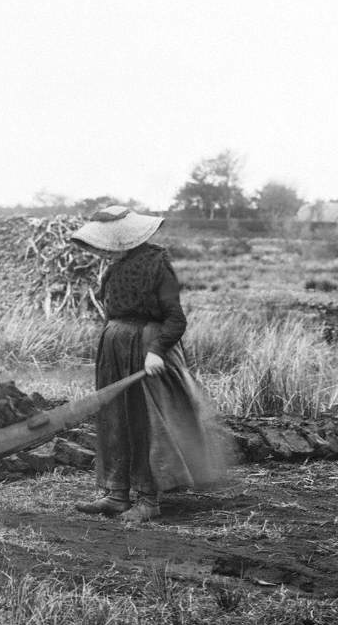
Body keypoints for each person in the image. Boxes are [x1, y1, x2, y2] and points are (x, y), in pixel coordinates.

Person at [69, 205, 236, 522]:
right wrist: (111, 342)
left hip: (145, 351)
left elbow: (176, 318)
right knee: (114, 419)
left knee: (146, 425)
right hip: (115, 351)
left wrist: (157, 351)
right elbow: (113, 313)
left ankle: (148, 500)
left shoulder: (157, 265)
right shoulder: (114, 269)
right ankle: (116, 494)